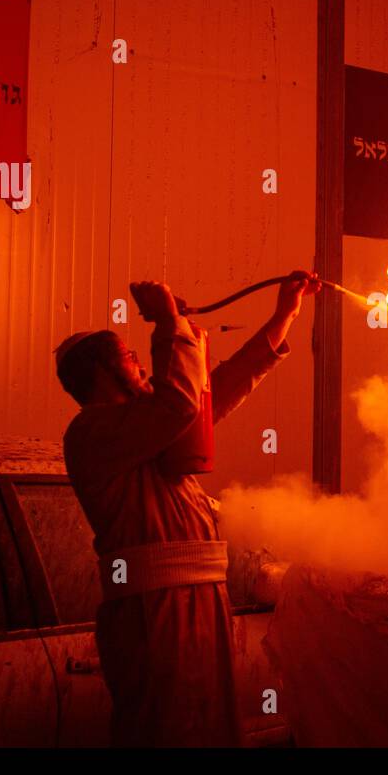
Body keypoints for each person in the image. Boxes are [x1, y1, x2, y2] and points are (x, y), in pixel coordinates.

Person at [54, 273, 319, 746]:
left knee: (211, 729)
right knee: (171, 730)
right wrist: (167, 322)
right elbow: (179, 403)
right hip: (154, 611)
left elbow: (218, 388)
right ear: (98, 371)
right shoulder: (92, 433)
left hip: (198, 601)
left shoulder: (144, 430)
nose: (139, 363)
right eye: (128, 356)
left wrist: (284, 315)